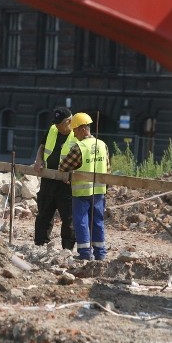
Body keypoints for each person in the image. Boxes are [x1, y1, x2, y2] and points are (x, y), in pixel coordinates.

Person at [58, 112, 110, 261]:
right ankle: (100, 254)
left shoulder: (79, 147)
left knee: (81, 221)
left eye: (75, 131)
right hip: (99, 191)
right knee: (98, 221)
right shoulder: (102, 145)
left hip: (81, 192)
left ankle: (85, 253)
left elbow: (63, 167)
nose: (74, 134)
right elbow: (108, 170)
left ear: (82, 129)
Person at [32, 106, 77, 250]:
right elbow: (42, 146)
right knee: (44, 214)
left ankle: (67, 250)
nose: (57, 126)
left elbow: (82, 156)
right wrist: (38, 159)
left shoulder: (77, 134)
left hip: (66, 183)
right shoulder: (52, 129)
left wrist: (70, 172)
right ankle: (40, 245)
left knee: (68, 218)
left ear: (69, 121)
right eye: (56, 123)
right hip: (48, 178)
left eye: (60, 123)